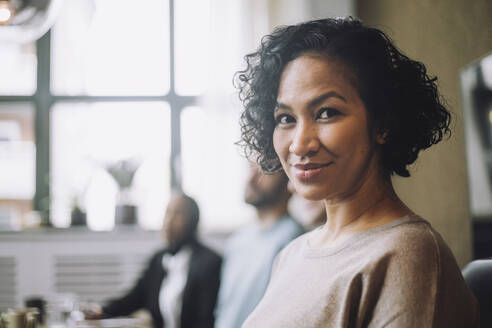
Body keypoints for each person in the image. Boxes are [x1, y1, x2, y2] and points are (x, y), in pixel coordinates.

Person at [235, 17, 479, 327]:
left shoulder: (406, 255)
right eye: (285, 118)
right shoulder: (291, 255)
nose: (299, 144)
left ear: (383, 123)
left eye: (326, 113)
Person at [86, 192, 222, 328]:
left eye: (178, 214)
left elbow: (206, 319)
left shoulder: (210, 262)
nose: (169, 221)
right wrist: (102, 310)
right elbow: (134, 297)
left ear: (193, 221)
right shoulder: (158, 259)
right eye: (167, 213)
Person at [214, 163, 304, 328]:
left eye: (264, 170)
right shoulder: (237, 241)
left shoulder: (296, 241)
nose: (251, 179)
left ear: (289, 181)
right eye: (250, 169)